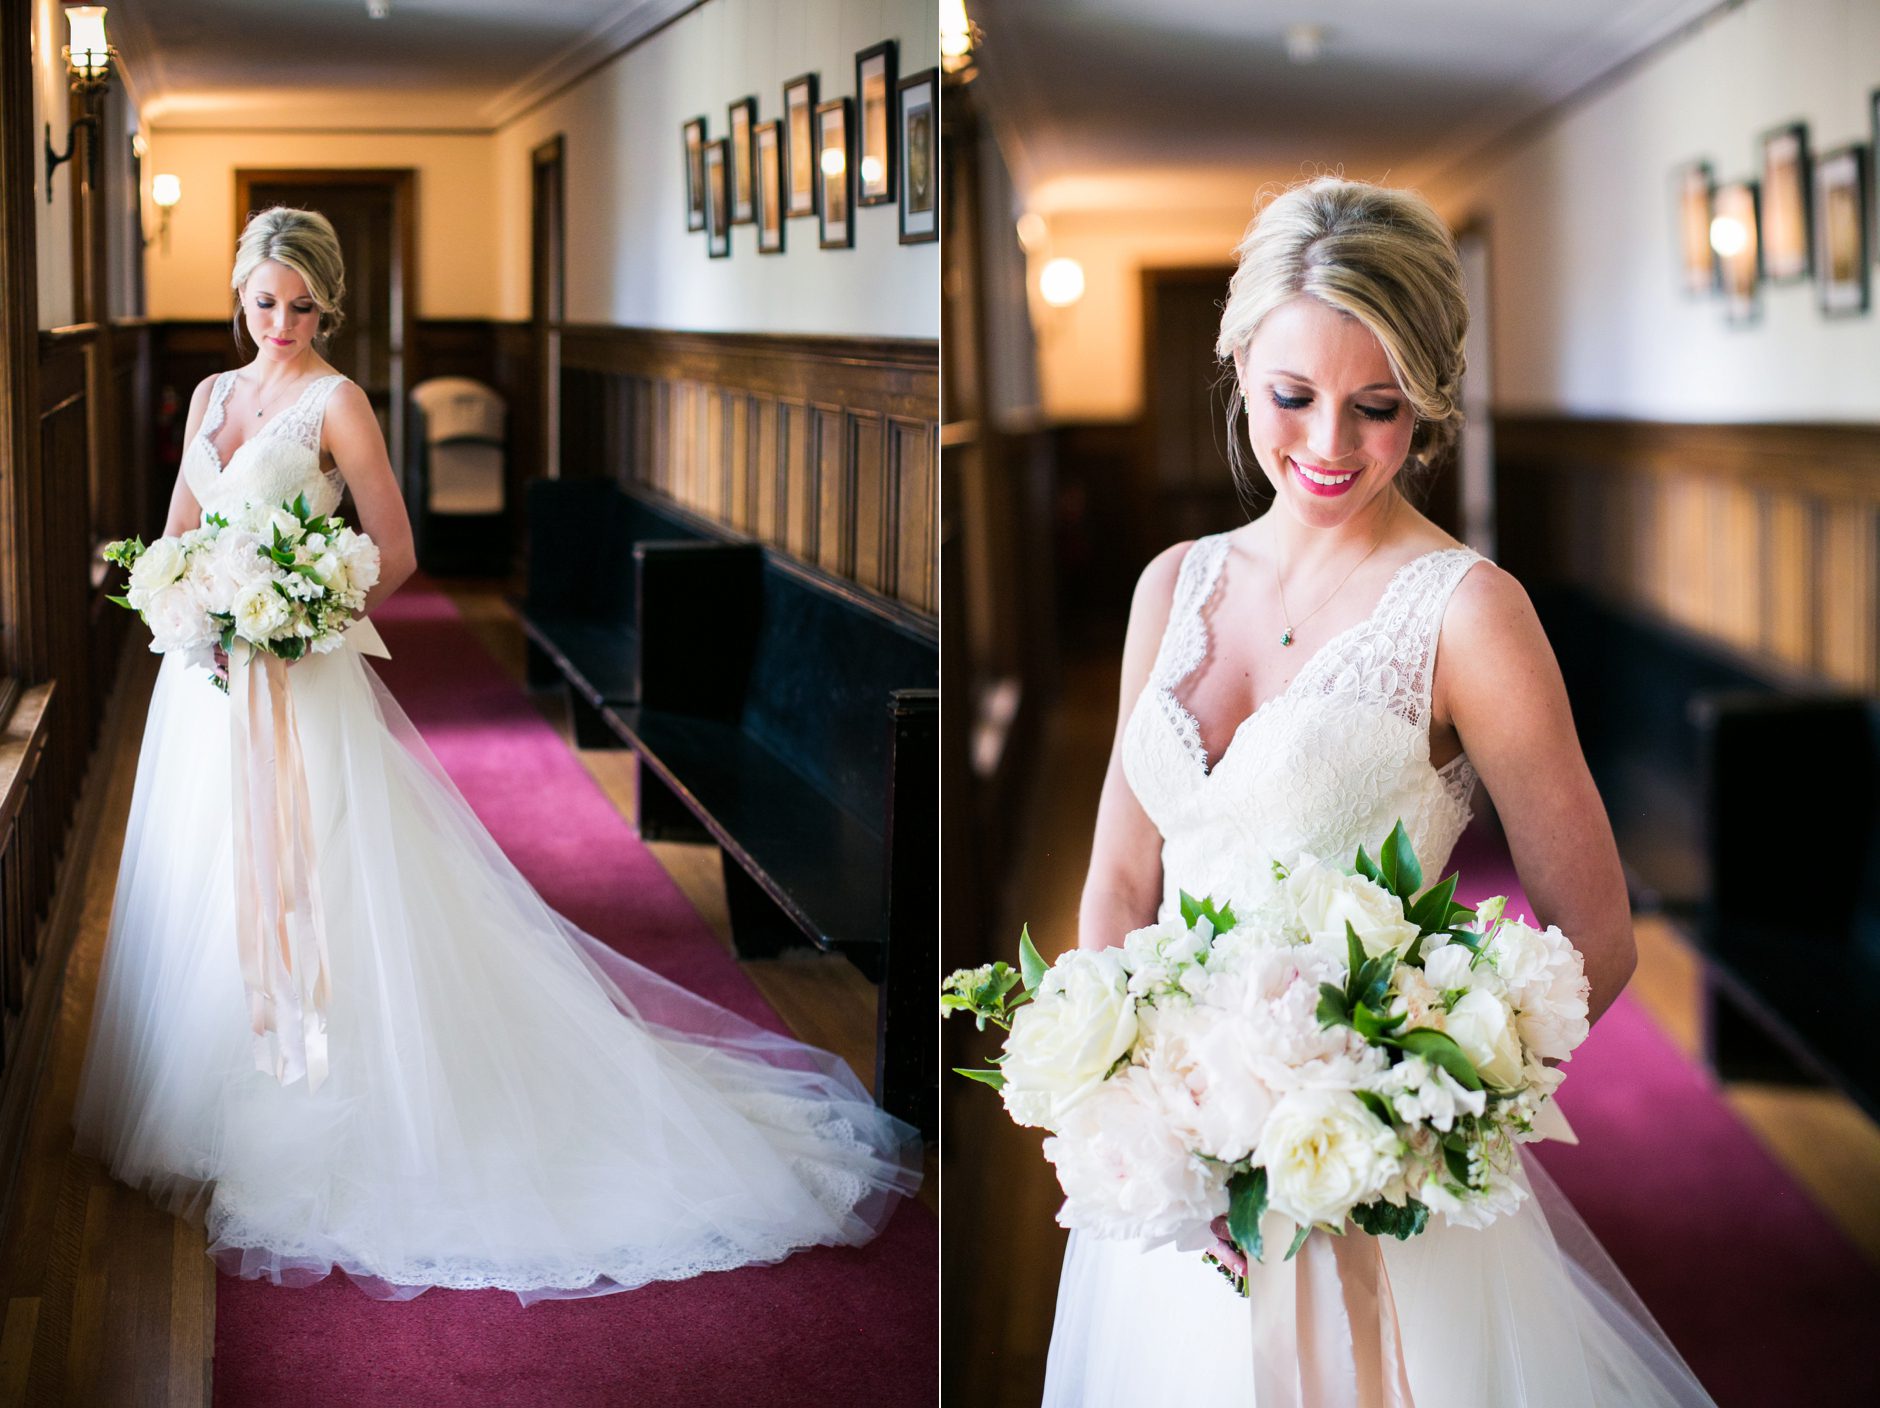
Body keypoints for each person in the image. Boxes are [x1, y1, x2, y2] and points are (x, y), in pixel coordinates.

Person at [71, 207, 919, 1303]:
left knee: (322, 883)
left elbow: (398, 550)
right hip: (206, 689)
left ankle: (337, 1094)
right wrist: (189, 606)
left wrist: (295, 623)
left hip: (299, 678)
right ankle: (217, 1095)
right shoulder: (209, 396)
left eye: (300, 304)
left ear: (328, 304)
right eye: (262, 302)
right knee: (213, 879)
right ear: (238, 296)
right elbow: (182, 526)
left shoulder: (339, 403)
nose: (278, 323)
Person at [1041, 178, 1715, 1405]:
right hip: (1173, 1172)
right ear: (1239, 360)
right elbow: (1121, 877)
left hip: (1362, 1182)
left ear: (1427, 405)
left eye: (1378, 408)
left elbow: (1596, 938)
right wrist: (1143, 1116)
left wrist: (1406, 1126)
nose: (1328, 448)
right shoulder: (1169, 587)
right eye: (1291, 398)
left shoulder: (1468, 613)